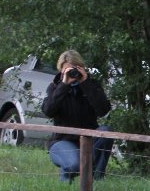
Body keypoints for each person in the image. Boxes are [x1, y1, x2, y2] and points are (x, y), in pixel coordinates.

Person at [40, 49, 113, 182]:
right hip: (62, 140)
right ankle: (68, 172)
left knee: (106, 132)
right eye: (67, 70)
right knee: (75, 165)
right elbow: (48, 111)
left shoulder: (91, 85)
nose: (72, 73)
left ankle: (96, 179)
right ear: (61, 70)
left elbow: (103, 110)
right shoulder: (55, 87)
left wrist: (85, 83)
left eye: (75, 69)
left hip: (89, 139)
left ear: (82, 68)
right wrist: (64, 85)